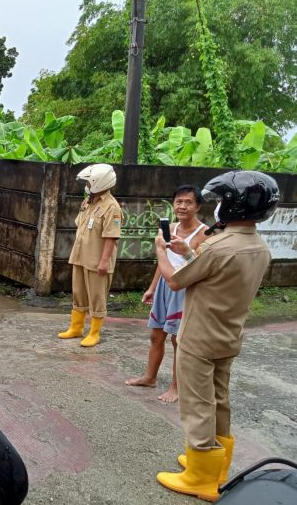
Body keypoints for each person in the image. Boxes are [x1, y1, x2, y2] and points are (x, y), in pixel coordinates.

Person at [154, 171, 279, 501]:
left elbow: (176, 280)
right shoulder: (259, 247)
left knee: (197, 403)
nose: (220, 207)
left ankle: (199, 477)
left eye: (223, 201)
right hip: (228, 335)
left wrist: (162, 252)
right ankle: (216, 465)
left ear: (234, 206)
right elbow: (220, 274)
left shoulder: (219, 245)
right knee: (219, 400)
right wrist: (188, 250)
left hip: (199, 336)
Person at [125, 185, 209, 402]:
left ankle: (176, 387)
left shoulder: (205, 234)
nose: (182, 206)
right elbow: (162, 262)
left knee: (178, 341)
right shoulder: (169, 228)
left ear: (198, 206)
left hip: (184, 290)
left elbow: (203, 268)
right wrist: (152, 288)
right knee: (156, 336)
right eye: (179, 201)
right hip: (164, 286)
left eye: (188, 202)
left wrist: (187, 251)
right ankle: (150, 377)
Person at [59, 163, 122, 347]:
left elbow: (111, 236)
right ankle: (76, 327)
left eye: (88, 182)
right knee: (78, 292)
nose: (86, 185)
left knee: (97, 296)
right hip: (80, 256)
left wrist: (104, 262)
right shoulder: (87, 201)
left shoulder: (112, 207)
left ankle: (94, 333)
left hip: (97, 260)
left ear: (99, 182)